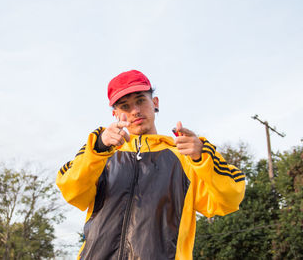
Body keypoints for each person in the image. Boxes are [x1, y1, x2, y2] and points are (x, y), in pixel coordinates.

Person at [56, 70, 245, 260]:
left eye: (140, 100)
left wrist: (202, 156)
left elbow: (229, 199)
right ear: (116, 114)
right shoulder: (100, 154)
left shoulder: (184, 158)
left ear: (155, 103)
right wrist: (98, 147)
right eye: (125, 106)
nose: (135, 111)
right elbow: (71, 191)